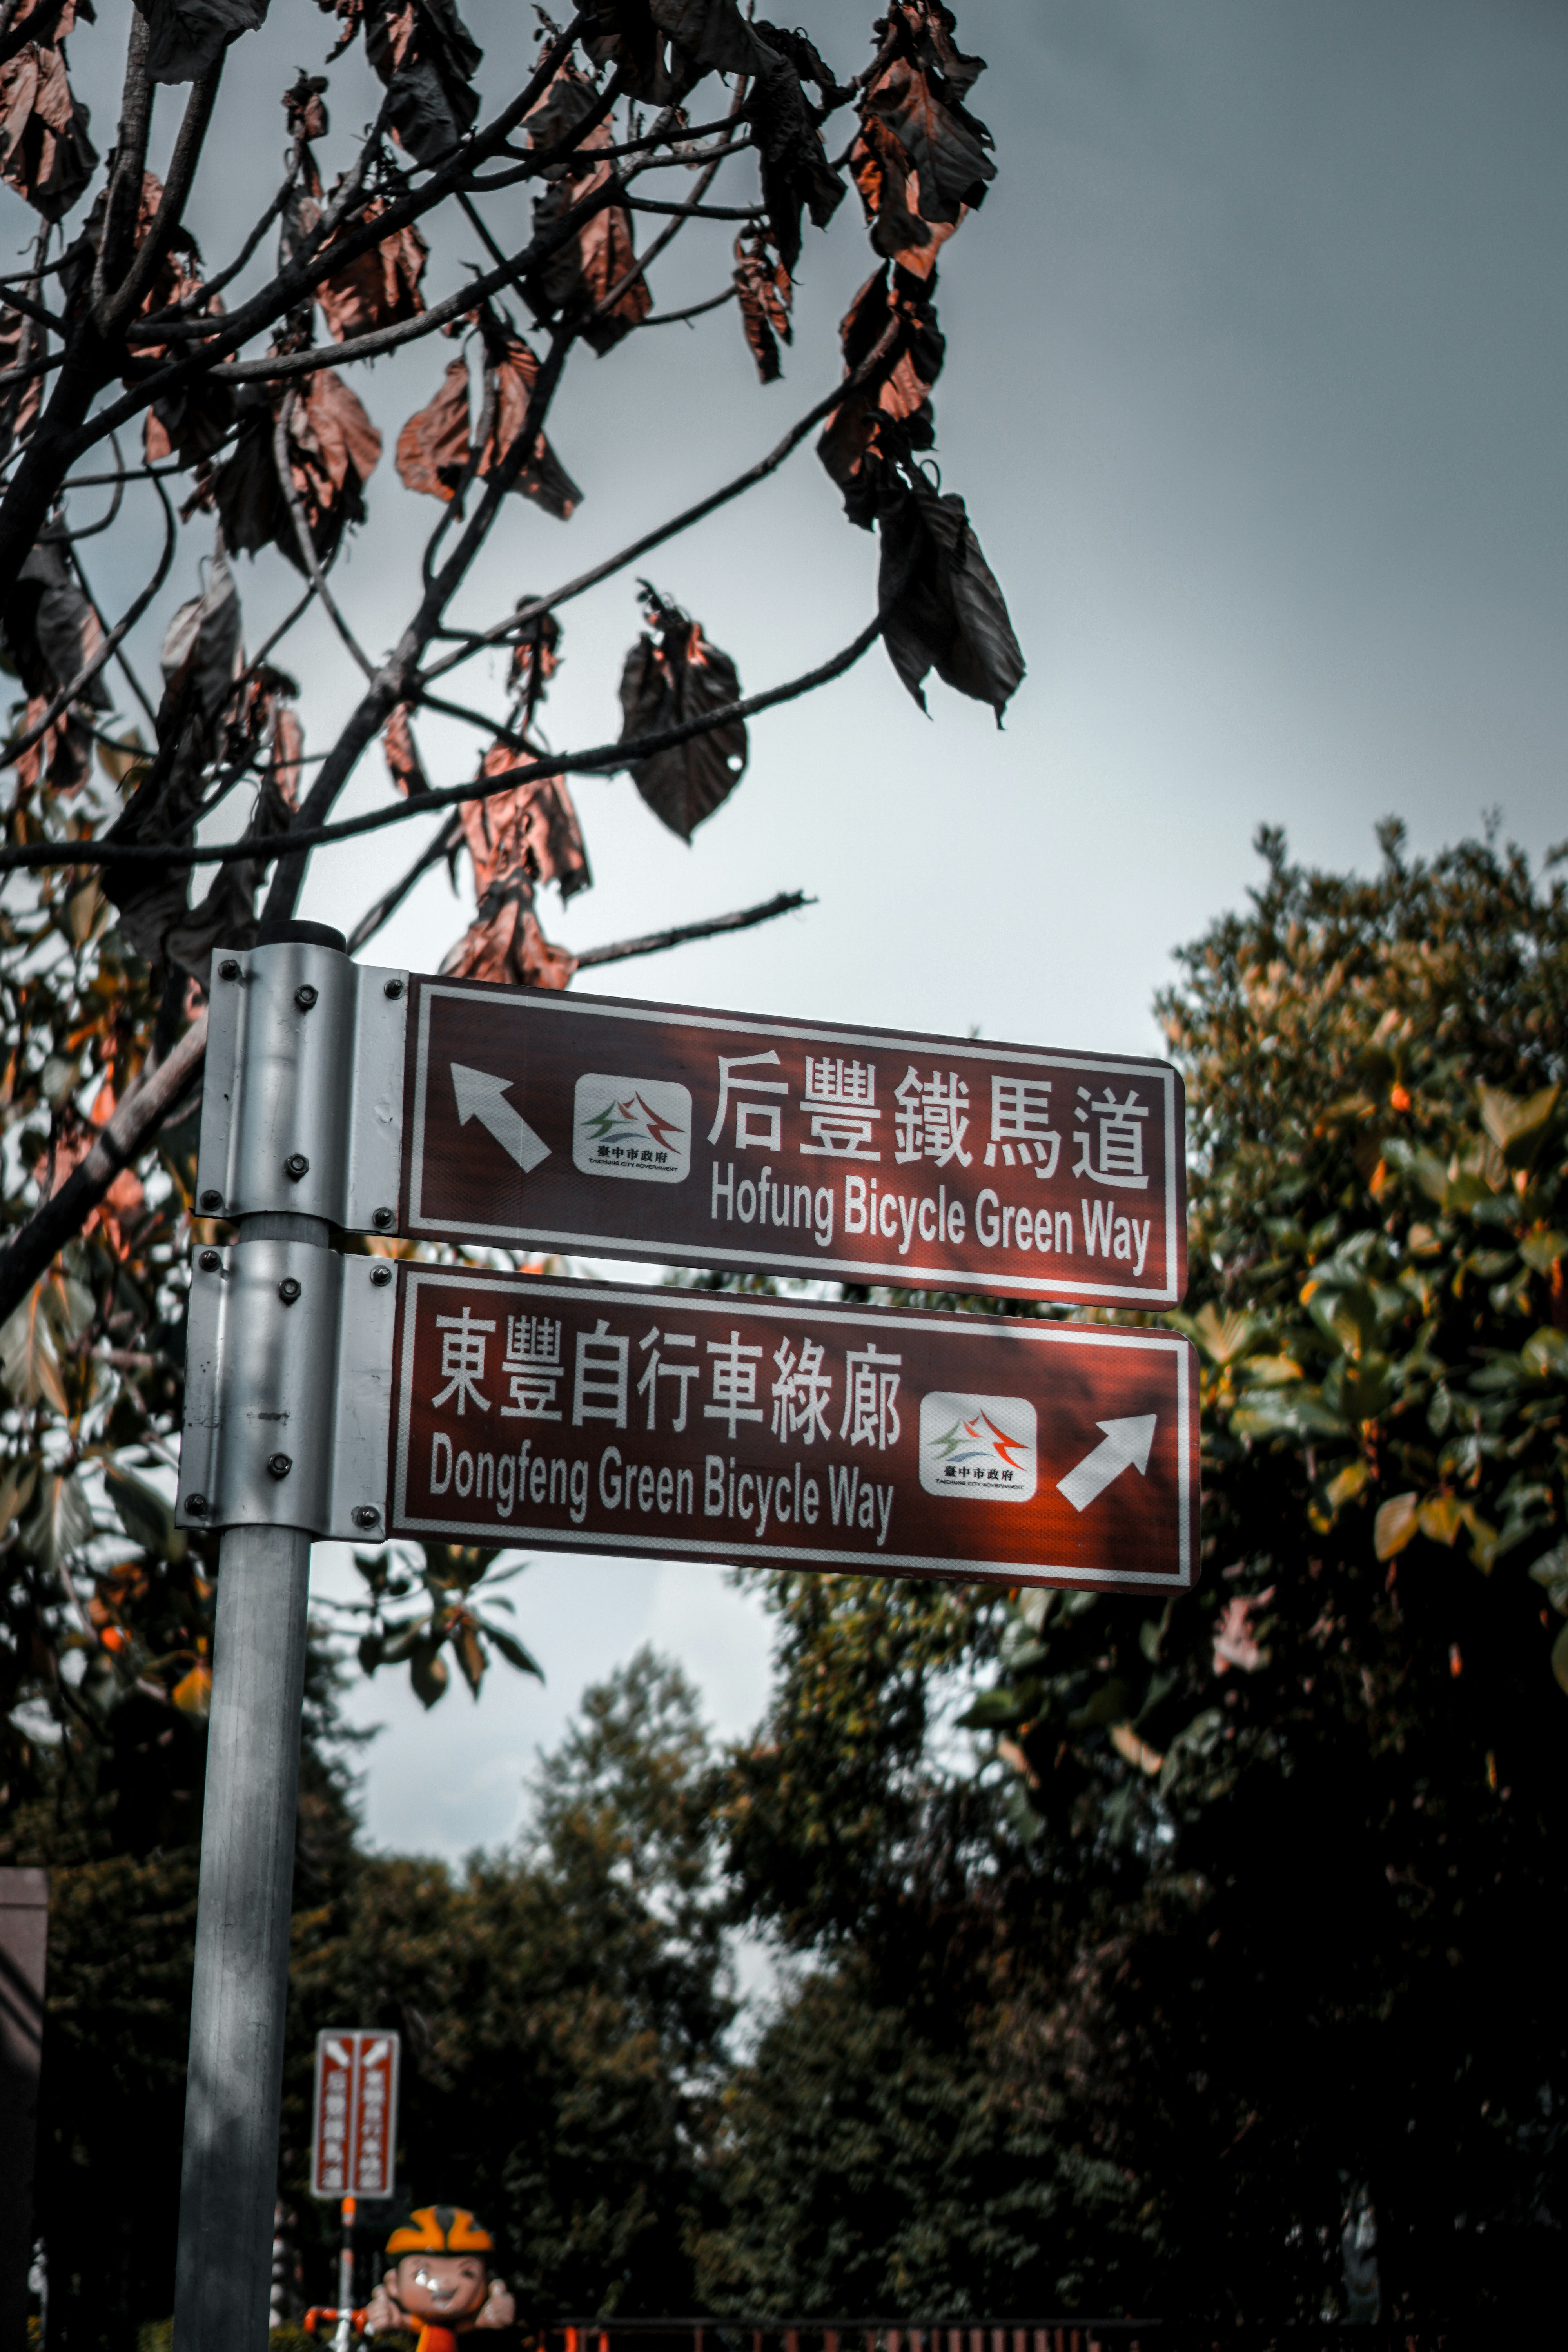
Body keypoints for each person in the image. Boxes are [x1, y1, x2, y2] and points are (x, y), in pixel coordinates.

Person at [365, 2208, 515, 2352]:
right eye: (421, 2273)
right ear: (393, 2284)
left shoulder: (487, 2339)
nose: (445, 2283)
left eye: (467, 2273)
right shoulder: (395, 2339)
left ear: (487, 2282)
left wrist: (492, 2314)